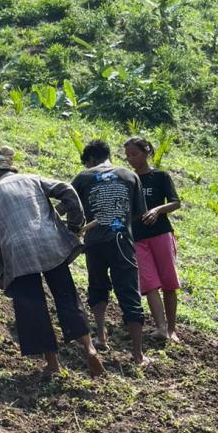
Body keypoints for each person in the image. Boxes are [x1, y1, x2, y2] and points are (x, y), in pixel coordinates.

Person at [0, 148, 104, 378]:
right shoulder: (32, 179)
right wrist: (75, 223)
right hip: (51, 246)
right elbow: (66, 190)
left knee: (32, 306)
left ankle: (52, 363)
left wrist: (1, 269)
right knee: (67, 296)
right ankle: (89, 348)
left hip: (18, 255)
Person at [71, 139, 147, 364]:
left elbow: (71, 210)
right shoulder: (129, 176)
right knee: (129, 292)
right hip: (121, 241)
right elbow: (137, 213)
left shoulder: (83, 178)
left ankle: (102, 336)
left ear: (91, 160)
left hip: (94, 242)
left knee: (97, 286)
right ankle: (137, 354)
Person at [124, 136, 182, 342]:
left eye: (135, 154)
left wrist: (157, 210)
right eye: (128, 155)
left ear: (147, 152)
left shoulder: (160, 176)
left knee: (168, 281)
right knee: (149, 283)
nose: (131, 159)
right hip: (138, 238)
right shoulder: (129, 180)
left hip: (161, 234)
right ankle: (161, 327)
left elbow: (176, 202)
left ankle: (172, 330)